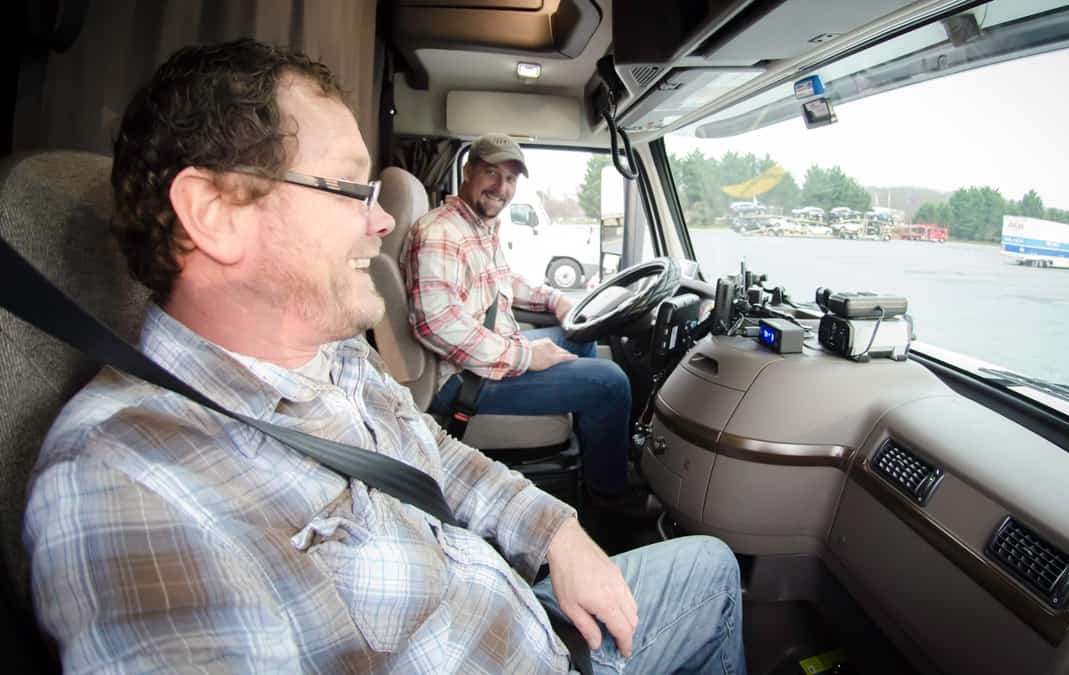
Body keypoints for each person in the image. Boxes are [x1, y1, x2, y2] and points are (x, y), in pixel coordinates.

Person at [22, 39, 745, 673]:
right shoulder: (126, 486)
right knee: (709, 562)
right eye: (348, 188)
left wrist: (555, 528)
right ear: (216, 214)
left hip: (518, 611)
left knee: (705, 560)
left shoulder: (331, 352)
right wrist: (529, 357)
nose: (382, 219)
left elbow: (427, 448)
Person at [402, 133, 649, 512]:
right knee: (611, 383)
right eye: (491, 173)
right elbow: (436, 323)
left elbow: (506, 282)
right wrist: (525, 356)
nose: (501, 188)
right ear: (467, 172)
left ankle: (591, 456)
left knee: (579, 335)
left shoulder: (478, 227)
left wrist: (557, 299)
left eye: (511, 179)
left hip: (487, 354)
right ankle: (610, 497)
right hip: (460, 379)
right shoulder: (440, 232)